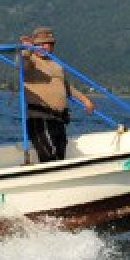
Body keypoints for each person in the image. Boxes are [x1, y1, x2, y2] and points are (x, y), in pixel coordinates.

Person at [19, 26, 95, 162]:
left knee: (60, 155)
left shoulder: (56, 65)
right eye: (39, 44)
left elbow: (66, 87)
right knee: (49, 156)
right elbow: (23, 64)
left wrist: (85, 100)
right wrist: (27, 50)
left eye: (46, 44)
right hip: (40, 119)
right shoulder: (31, 61)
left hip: (58, 120)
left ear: (52, 46)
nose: (43, 47)